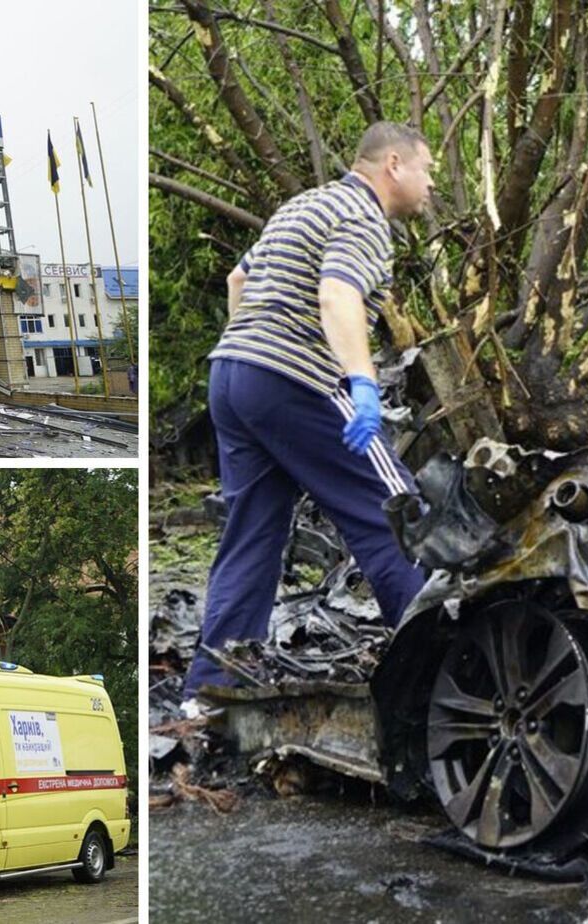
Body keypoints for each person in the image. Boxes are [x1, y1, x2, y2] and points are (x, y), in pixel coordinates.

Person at [183, 122, 438, 707]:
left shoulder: (305, 205)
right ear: (393, 164)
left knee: (250, 535)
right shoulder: (364, 218)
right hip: (293, 379)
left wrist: (249, 344)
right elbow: (337, 294)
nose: (429, 186)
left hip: (231, 376)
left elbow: (238, 278)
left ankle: (210, 689)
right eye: (426, 171)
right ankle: (437, 670)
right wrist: (362, 384)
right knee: (395, 512)